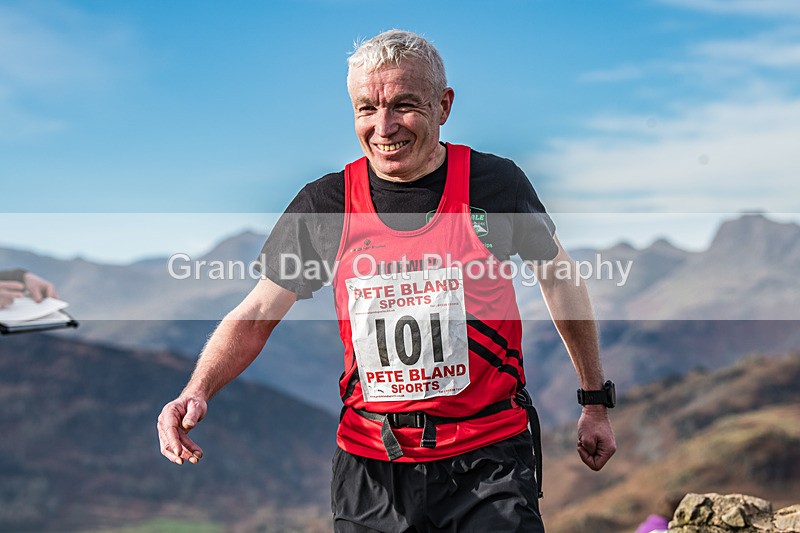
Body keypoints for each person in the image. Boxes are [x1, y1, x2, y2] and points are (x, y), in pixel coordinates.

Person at [157, 30, 616, 532]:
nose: (384, 126)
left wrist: (594, 401)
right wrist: (196, 389)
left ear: (444, 106)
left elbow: (560, 279)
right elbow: (258, 313)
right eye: (366, 109)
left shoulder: (495, 185)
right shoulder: (326, 205)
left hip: (489, 461)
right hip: (371, 467)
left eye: (404, 105)